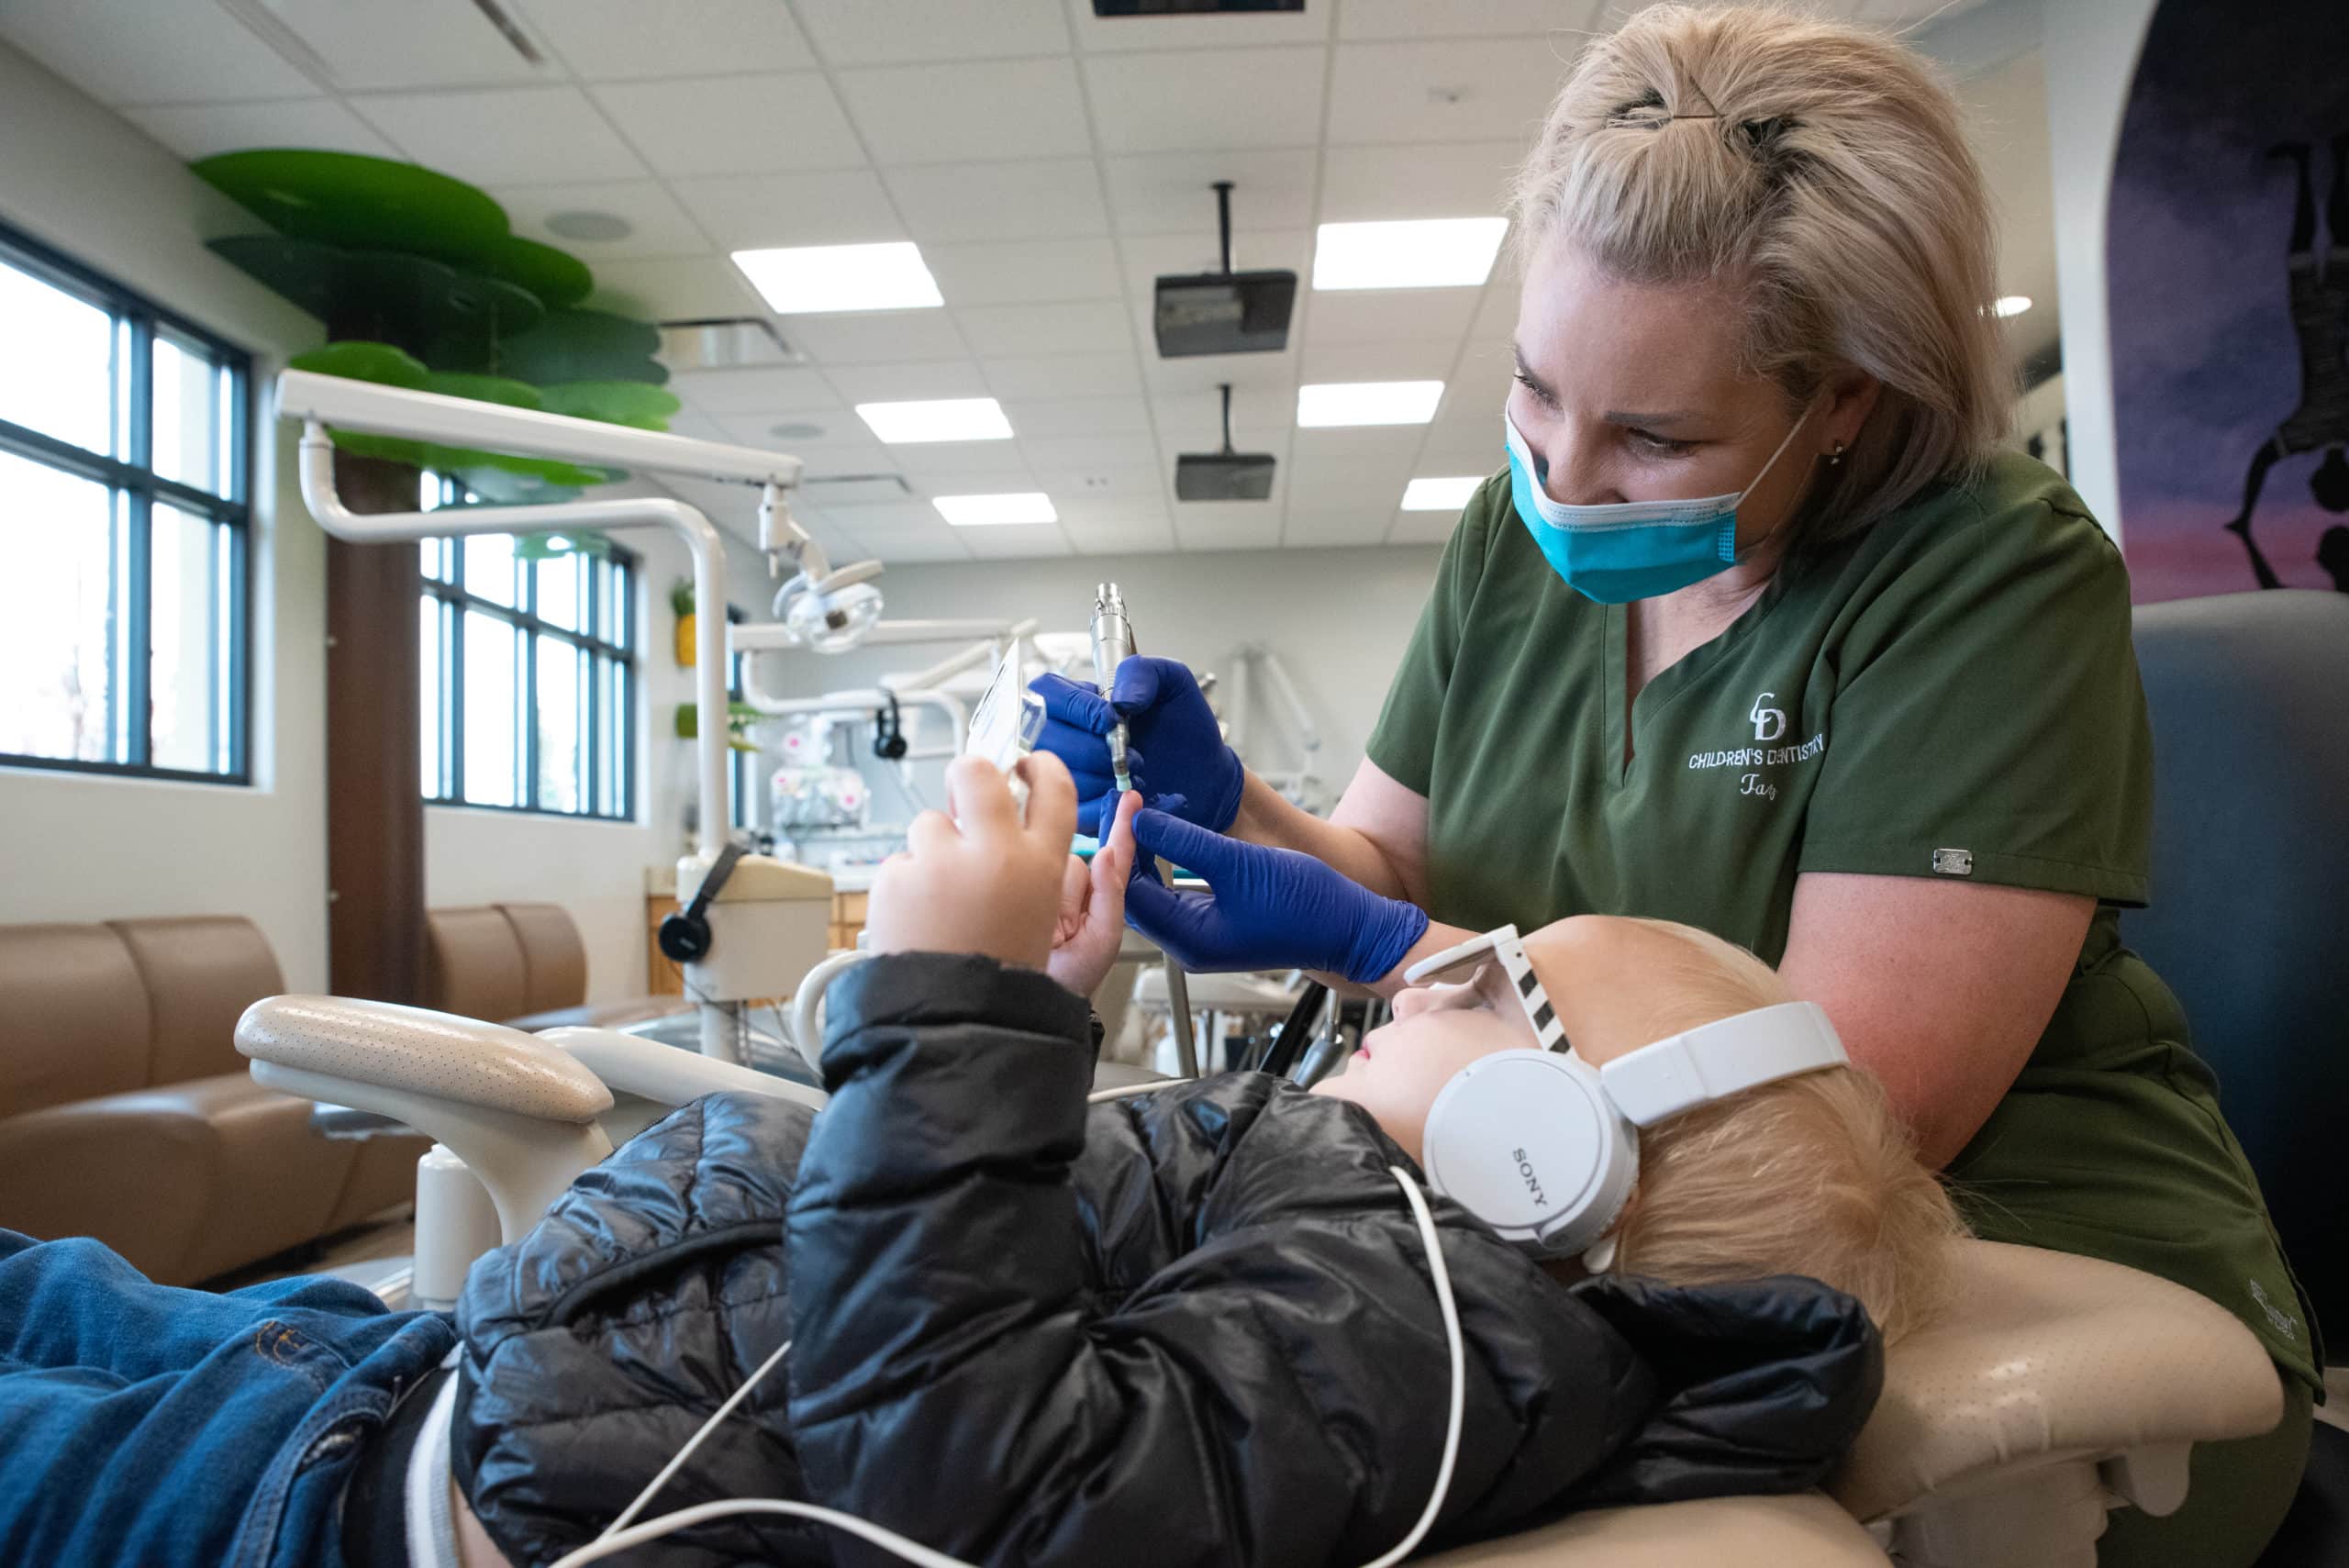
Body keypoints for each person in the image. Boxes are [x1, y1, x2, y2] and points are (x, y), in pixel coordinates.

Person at [1030, 7, 2319, 1562]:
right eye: (1534, 393)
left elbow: (1832, 1118)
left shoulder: (1988, 575)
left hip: (1995, 1271)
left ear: (1845, 397)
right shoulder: (1512, 546)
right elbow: (1385, 857)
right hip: (1569, 1237)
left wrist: (1384, 956)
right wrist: (1233, 811)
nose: (1564, 477)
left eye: (1651, 434)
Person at [0, 754, 1956, 1568]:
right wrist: (1046, 1011)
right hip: (427, 1391)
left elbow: (970, 1455)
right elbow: (1025, 1276)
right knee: (53, 1299)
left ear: (1541, 1151)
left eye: (1493, 988)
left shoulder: (1411, 1320)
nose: (1428, 961)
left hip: (382, 1502)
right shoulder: (1373, 1255)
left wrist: (946, 994)